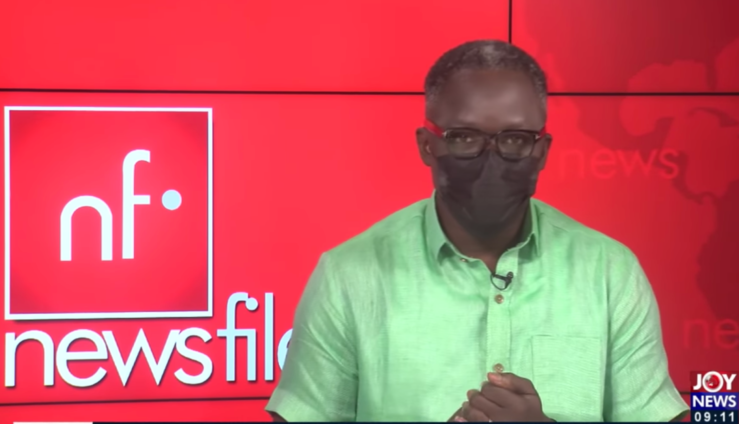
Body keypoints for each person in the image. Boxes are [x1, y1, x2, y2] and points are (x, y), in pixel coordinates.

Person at [265, 40, 688, 422]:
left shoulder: (609, 272)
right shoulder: (348, 276)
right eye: (464, 137)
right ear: (427, 145)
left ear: (542, 152)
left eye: (515, 139)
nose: (492, 158)